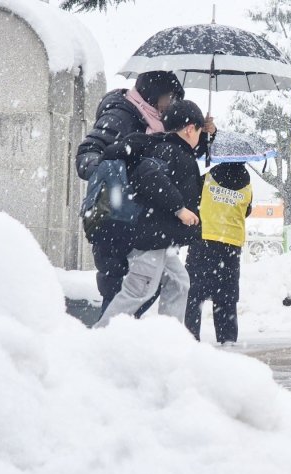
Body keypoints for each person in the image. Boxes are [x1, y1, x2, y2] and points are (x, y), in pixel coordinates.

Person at [76, 71, 216, 316]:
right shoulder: (121, 115)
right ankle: (105, 342)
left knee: (167, 284)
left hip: (143, 221)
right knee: (127, 291)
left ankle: (153, 341)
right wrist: (122, 179)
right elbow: (90, 154)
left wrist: (205, 134)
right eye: (168, 98)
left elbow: (178, 151)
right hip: (117, 218)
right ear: (152, 94)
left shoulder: (159, 127)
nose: (170, 105)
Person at [95, 100, 206, 328]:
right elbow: (147, 176)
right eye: (199, 131)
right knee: (137, 292)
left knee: (179, 283)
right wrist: (179, 208)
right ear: (189, 129)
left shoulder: (174, 148)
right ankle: (98, 339)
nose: (200, 137)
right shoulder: (169, 150)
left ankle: (167, 338)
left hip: (160, 239)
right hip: (149, 238)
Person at [184, 161, 253, 344]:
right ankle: (227, 338)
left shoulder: (207, 179)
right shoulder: (247, 186)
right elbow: (247, 211)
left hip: (205, 239)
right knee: (226, 295)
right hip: (231, 243)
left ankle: (190, 336)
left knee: (195, 293)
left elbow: (192, 202)